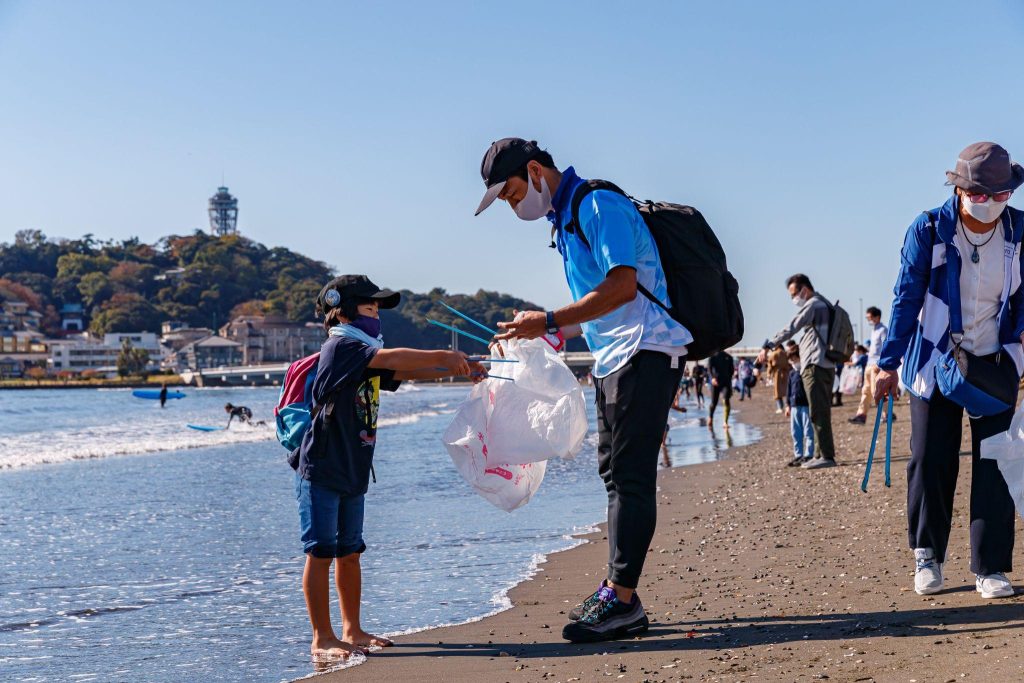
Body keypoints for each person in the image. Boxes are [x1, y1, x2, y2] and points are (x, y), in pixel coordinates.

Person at [476, 138, 691, 643]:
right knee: (615, 471)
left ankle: (620, 599)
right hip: (615, 355)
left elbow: (621, 286)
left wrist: (549, 318)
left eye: (510, 194)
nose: (513, 206)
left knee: (631, 474)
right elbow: (600, 307)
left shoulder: (596, 205)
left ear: (534, 170)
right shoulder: (566, 220)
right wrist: (546, 333)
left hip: (647, 348)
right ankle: (620, 594)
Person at [295, 274, 486, 660]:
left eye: (378, 308)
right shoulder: (343, 346)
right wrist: (442, 355)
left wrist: (461, 367)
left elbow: (403, 372)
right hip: (323, 466)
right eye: (369, 307)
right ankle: (322, 637)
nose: (376, 314)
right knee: (321, 552)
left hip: (354, 466)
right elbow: (393, 359)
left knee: (350, 551)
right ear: (344, 311)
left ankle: (353, 629)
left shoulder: (363, 350)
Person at [875, 142, 1024, 600]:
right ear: (960, 191)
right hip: (935, 360)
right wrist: (886, 363)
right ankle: (927, 555)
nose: (993, 204)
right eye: (982, 195)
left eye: (1002, 195)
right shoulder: (930, 230)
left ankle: (992, 566)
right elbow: (906, 299)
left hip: (996, 361)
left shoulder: (1020, 231)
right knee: (930, 460)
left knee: (997, 458)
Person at [757, 274, 837, 470]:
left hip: (815, 364)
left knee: (817, 411)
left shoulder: (813, 304)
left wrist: (769, 344)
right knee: (820, 410)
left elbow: (792, 326)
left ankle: (826, 455)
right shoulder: (825, 303)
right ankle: (819, 454)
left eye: (794, 294)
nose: (794, 299)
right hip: (826, 363)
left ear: (805, 290)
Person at [850, 306, 889, 424]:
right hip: (869, 364)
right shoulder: (874, 330)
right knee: (865, 391)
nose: (869, 320)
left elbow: (885, 347)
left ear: (877, 317)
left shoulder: (883, 330)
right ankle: (861, 415)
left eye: (870, 317)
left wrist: (882, 364)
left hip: (876, 365)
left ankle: (887, 413)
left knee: (875, 391)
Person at [785, 346, 813, 467]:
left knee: (808, 431)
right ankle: (798, 455)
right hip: (794, 405)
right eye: (790, 359)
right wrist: (787, 405)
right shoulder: (791, 373)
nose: (792, 362)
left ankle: (809, 454)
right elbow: (789, 389)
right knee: (795, 432)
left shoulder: (806, 370)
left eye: (794, 359)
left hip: (806, 405)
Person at [707, 349, 735, 430]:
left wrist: (729, 379)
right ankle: (710, 417)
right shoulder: (712, 356)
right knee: (714, 403)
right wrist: (712, 378)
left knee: (726, 400)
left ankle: (725, 422)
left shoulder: (729, 357)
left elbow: (732, 371)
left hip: (726, 382)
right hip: (715, 382)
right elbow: (709, 368)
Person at [767, 345, 790, 413]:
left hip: (777, 374)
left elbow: (769, 365)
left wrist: (768, 374)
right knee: (787, 391)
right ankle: (788, 406)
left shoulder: (773, 354)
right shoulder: (785, 353)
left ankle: (780, 407)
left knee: (777, 392)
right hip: (786, 373)